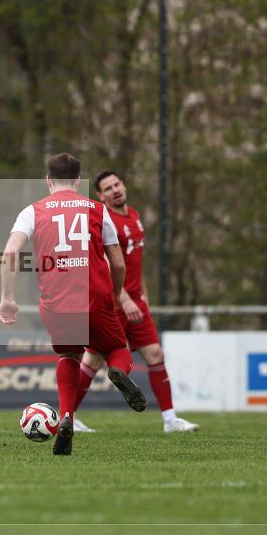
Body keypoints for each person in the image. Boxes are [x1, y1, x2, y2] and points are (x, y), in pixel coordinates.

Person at [0, 153, 146, 456]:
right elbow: (118, 263)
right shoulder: (98, 209)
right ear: (79, 181)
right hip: (95, 297)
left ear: (48, 180)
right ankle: (116, 373)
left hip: (55, 303)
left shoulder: (32, 211)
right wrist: (115, 295)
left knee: (69, 355)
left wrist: (8, 298)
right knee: (117, 351)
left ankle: (66, 417)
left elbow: (11, 253)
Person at [72, 171, 199, 434]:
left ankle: (170, 419)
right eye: (108, 188)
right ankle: (68, 416)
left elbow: (133, 264)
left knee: (155, 354)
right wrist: (125, 298)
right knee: (94, 359)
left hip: (136, 302)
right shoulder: (104, 219)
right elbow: (107, 264)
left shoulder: (135, 216)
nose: (115, 190)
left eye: (117, 184)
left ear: (124, 185)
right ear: (100, 196)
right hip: (115, 302)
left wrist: (143, 295)